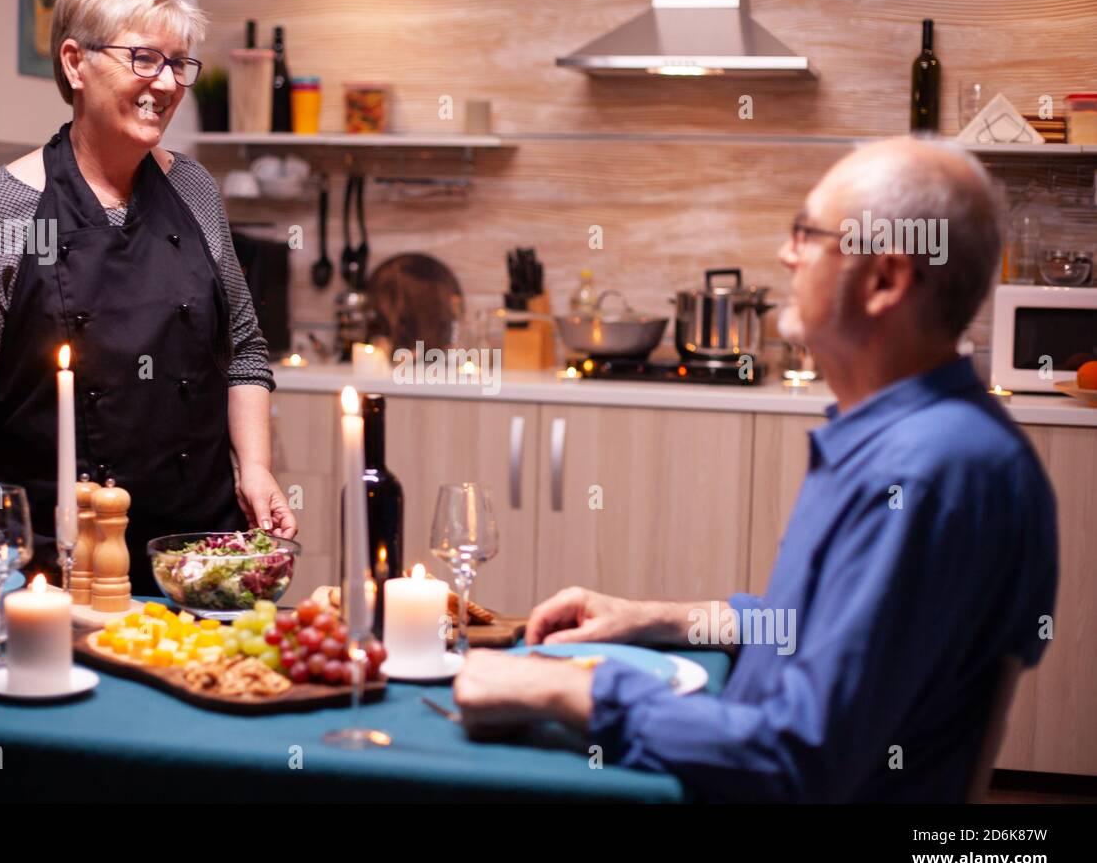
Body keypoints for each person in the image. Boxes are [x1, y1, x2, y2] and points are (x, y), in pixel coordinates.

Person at [452, 137, 1058, 802]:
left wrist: (577, 687)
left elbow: (799, 758)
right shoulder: (905, 442)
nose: (785, 253)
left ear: (886, 279)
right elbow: (820, 631)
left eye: (809, 233)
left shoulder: (927, 473)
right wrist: (661, 619)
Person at [0, 0, 297, 592]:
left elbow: (243, 350)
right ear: (75, 63)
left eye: (179, 64)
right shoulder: (1, 206)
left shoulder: (194, 190)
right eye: (144, 59)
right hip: (56, 564)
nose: (165, 83)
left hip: (199, 557)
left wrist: (257, 468)